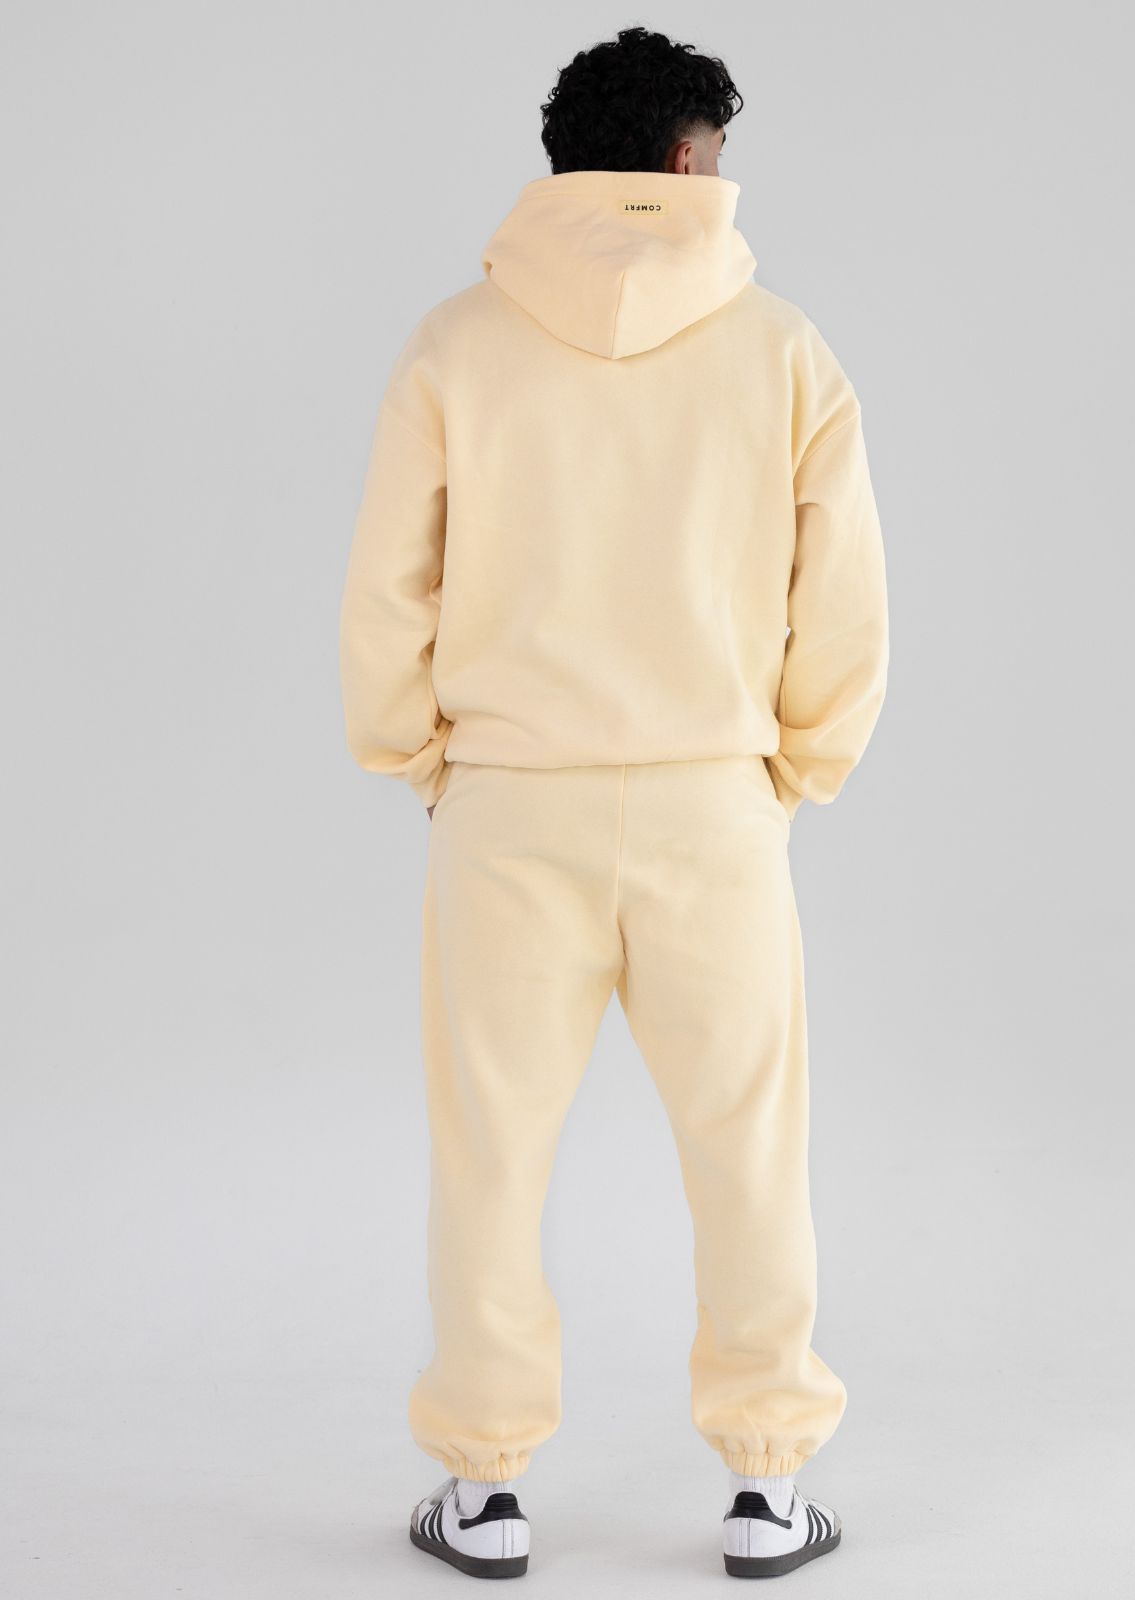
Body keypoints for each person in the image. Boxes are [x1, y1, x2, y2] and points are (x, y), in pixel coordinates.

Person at [339, 23, 888, 1582]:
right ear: (688, 160)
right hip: (717, 805)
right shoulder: (783, 347)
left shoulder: (457, 344)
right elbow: (845, 600)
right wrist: (793, 767)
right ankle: (770, 1486)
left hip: (509, 806)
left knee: (491, 1153)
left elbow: (388, 588)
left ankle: (486, 1489)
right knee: (749, 1147)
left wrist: (419, 756)